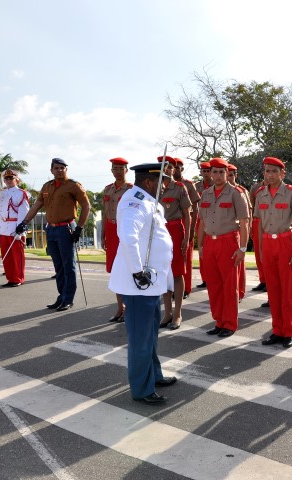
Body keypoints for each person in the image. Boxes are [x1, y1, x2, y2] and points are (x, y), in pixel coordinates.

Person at [108, 162, 177, 405]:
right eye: (162, 181)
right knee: (141, 338)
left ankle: (153, 376)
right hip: (139, 284)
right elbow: (129, 237)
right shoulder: (134, 201)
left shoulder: (150, 201)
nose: (166, 185)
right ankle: (142, 389)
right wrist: (138, 272)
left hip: (151, 282)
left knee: (150, 335)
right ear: (149, 182)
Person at [16, 158, 91, 311]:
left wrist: (80, 228)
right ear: (51, 170)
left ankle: (68, 299)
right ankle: (61, 296)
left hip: (66, 229)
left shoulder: (73, 186)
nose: (59, 170)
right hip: (51, 229)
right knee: (58, 266)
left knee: (68, 265)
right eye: (56, 168)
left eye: (62, 168)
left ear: (66, 170)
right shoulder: (47, 186)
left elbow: (86, 205)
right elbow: (37, 205)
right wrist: (24, 222)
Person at [197, 157, 250, 337]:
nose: (218, 175)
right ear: (210, 174)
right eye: (215, 172)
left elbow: (244, 223)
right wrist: (200, 246)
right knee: (214, 285)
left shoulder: (236, 193)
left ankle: (229, 323)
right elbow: (202, 221)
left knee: (229, 285)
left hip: (228, 242)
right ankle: (219, 321)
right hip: (210, 243)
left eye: (221, 172)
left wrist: (242, 248)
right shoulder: (205, 194)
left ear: (227, 173)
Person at [254, 157, 292, 348]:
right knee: (273, 291)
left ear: (282, 173)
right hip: (267, 244)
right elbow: (258, 226)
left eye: (274, 171)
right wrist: (259, 249)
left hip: (284, 242)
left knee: (287, 290)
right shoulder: (260, 195)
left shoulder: (291, 193)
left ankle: (288, 331)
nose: (270, 175)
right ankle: (277, 330)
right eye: (267, 171)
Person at [158, 156, 192, 329]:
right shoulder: (154, 188)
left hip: (176, 230)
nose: (167, 170)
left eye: (170, 167)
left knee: (177, 272)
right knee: (163, 272)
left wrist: (186, 238)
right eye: (163, 167)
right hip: (160, 231)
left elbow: (187, 214)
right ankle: (167, 313)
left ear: (174, 169)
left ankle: (178, 313)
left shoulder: (180, 188)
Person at [0, 169, 30, 287]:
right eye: (6, 179)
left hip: (15, 227)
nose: (8, 180)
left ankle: (18, 278)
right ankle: (10, 278)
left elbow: (23, 212)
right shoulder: (2, 193)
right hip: (3, 227)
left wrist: (20, 229)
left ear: (16, 180)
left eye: (11, 178)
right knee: (6, 255)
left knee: (16, 256)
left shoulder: (21, 193)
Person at [102, 157, 132, 322]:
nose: (118, 171)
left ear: (126, 170)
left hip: (124, 230)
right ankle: (120, 307)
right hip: (111, 230)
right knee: (115, 271)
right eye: (115, 168)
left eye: (121, 168)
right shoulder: (107, 190)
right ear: (111, 170)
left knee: (126, 269)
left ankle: (129, 307)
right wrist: (103, 235)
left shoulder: (132, 189)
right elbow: (105, 213)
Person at [172, 157, 200, 299]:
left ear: (182, 169)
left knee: (186, 258)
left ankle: (185, 289)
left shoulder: (188, 185)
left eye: (178, 167)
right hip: (171, 223)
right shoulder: (164, 184)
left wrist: (191, 230)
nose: (175, 169)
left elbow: (195, 210)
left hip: (185, 220)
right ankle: (172, 288)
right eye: (173, 167)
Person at [227, 163, 251, 301]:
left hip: (239, 230)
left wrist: (249, 230)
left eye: (231, 175)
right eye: (227, 174)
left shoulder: (241, 191)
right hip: (227, 230)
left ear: (236, 175)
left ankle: (240, 291)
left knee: (239, 262)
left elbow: (248, 214)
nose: (229, 178)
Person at [194, 161, 213, 289]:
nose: (205, 173)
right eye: (203, 171)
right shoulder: (196, 186)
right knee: (201, 249)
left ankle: (211, 277)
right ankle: (205, 277)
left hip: (213, 220)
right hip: (200, 220)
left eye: (208, 171)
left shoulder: (216, 184)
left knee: (211, 250)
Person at [249, 178, 269, 292]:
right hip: (257, 221)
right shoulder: (255, 188)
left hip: (269, 221)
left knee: (267, 252)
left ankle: (269, 280)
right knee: (258, 252)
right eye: (267, 170)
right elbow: (252, 208)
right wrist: (251, 225)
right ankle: (263, 280)